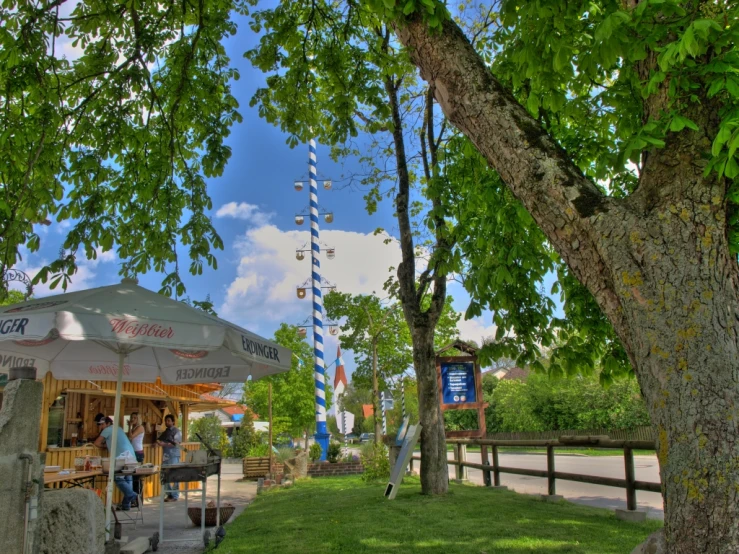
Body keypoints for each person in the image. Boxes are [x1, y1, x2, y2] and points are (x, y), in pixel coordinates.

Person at [93, 413, 138, 511]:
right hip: (131, 455)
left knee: (117, 477)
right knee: (128, 478)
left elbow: (96, 443)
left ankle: (132, 495)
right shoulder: (118, 428)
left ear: (107, 423)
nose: (100, 427)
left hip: (122, 457)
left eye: (102, 424)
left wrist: (103, 446)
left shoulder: (107, 430)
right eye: (99, 425)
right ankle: (126, 505)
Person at [157, 414, 182, 502]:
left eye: (168, 421)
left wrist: (164, 444)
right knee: (164, 475)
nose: (167, 422)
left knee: (175, 475)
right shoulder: (165, 432)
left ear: (173, 422)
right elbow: (158, 439)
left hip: (174, 455)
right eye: (166, 421)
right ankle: (169, 494)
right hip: (166, 456)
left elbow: (176, 443)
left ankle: (175, 495)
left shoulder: (176, 431)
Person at [127, 412, 145, 496]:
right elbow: (129, 437)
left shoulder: (140, 427)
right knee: (133, 476)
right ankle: (134, 496)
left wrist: (129, 426)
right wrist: (130, 427)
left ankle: (138, 497)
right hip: (133, 452)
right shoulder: (134, 428)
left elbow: (131, 437)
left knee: (136, 476)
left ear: (138, 419)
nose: (133, 419)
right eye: (132, 418)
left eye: (135, 418)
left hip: (138, 453)